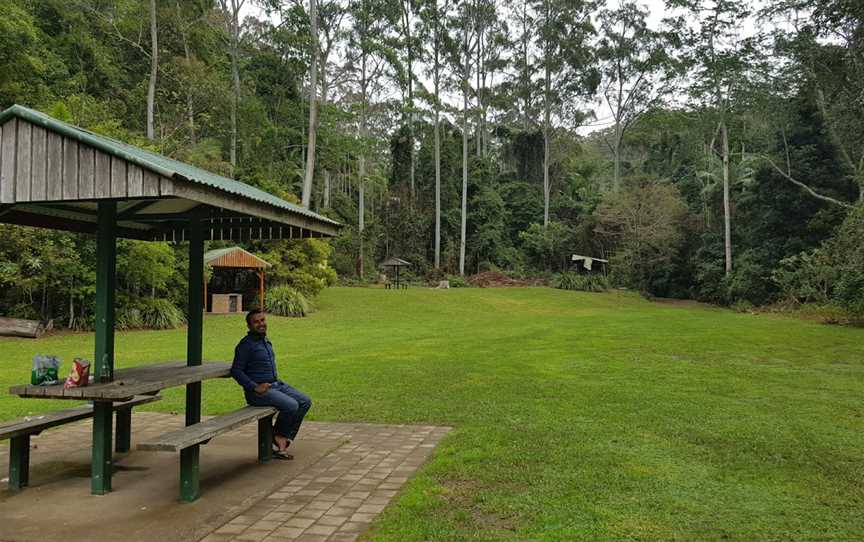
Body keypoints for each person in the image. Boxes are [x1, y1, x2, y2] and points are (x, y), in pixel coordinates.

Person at [231, 308, 311, 459]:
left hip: (276, 385)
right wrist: (254, 386)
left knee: (305, 401)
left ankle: (280, 436)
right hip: (258, 393)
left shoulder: (266, 341)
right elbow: (236, 370)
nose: (261, 324)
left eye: (262, 320)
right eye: (256, 322)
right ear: (249, 326)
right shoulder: (245, 345)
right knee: (291, 405)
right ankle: (277, 438)